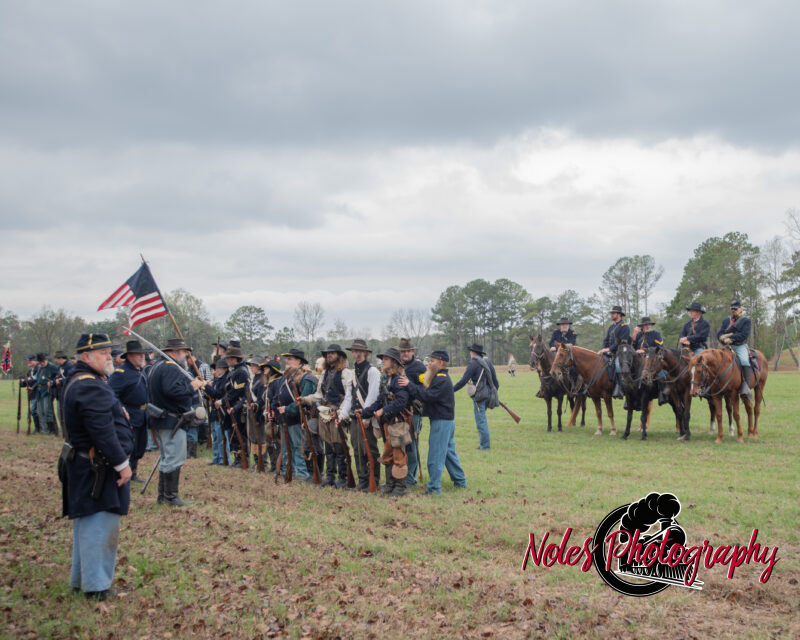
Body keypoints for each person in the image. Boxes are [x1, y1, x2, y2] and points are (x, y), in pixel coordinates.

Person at [60, 332, 133, 601]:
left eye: (108, 352)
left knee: (89, 525)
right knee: (99, 525)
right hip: (97, 466)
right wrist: (122, 463)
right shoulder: (89, 385)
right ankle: (97, 587)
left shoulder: (83, 381)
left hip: (88, 464)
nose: (109, 357)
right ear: (86, 357)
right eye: (102, 354)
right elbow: (102, 431)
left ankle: (84, 580)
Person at [147, 337, 205, 506]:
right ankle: (170, 497)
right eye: (183, 353)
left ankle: (164, 496)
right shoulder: (170, 368)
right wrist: (192, 386)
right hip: (172, 419)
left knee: (168, 458)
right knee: (174, 458)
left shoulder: (158, 366)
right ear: (174, 352)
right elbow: (172, 391)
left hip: (165, 419)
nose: (185, 357)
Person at [400, 349, 466, 494]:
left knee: (435, 456)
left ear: (440, 362)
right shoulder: (438, 377)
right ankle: (460, 480)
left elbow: (426, 395)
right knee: (448, 453)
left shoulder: (441, 379)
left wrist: (408, 384)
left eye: (432, 361)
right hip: (445, 421)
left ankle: (434, 488)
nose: (429, 364)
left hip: (441, 422)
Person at [358, 348, 413, 497]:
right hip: (388, 423)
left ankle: (400, 488)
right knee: (388, 455)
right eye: (383, 358)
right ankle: (390, 486)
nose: (383, 361)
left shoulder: (398, 380)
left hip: (399, 422)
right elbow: (379, 401)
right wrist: (365, 412)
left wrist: (384, 411)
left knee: (399, 456)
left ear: (394, 362)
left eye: (386, 359)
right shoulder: (386, 379)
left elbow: (402, 402)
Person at [300, 344, 354, 488]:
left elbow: (349, 397)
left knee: (340, 446)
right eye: (327, 354)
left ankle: (342, 477)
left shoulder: (346, 374)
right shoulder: (324, 374)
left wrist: (341, 413)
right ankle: (330, 476)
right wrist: (305, 399)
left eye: (332, 353)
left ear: (339, 356)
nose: (329, 355)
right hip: (325, 413)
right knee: (328, 447)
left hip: (338, 413)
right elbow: (318, 395)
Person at [109, 341, 149, 482]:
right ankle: (124, 473)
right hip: (129, 414)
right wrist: (121, 409)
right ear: (130, 356)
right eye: (139, 354)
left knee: (139, 446)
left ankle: (133, 472)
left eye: (142, 354)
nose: (142, 357)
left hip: (142, 414)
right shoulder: (121, 373)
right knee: (128, 445)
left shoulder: (140, 371)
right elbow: (111, 394)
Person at [276, 349, 316, 482]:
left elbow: (303, 401)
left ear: (299, 361)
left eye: (290, 358)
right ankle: (290, 470)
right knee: (287, 447)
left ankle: (302, 472)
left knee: (298, 447)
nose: (287, 361)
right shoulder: (285, 376)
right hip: (285, 417)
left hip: (297, 418)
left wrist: (287, 409)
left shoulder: (305, 377)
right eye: (287, 359)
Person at [347, 339, 381, 492]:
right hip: (355, 417)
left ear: (366, 353)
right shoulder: (353, 373)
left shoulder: (372, 371)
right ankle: (362, 479)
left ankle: (374, 480)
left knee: (370, 449)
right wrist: (343, 414)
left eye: (358, 351)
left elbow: (373, 395)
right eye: (354, 351)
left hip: (366, 416)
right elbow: (349, 396)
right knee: (357, 448)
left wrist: (366, 417)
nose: (356, 354)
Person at [453, 343, 499, 450]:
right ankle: (484, 444)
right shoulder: (487, 362)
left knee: (481, 422)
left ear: (473, 352)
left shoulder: (473, 363)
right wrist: (492, 394)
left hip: (480, 396)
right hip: (488, 395)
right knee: (482, 419)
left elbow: (463, 381)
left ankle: (485, 446)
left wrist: (451, 390)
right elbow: (496, 383)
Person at [397, 338, 426, 487]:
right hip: (399, 412)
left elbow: (425, 390)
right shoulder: (398, 366)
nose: (405, 354)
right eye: (403, 351)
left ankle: (410, 478)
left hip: (413, 412)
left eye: (408, 351)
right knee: (402, 445)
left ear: (413, 352)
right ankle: (404, 475)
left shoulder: (419, 368)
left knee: (411, 446)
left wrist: (410, 386)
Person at [218, 344, 249, 468]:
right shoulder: (236, 371)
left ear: (235, 359)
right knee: (234, 435)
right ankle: (237, 458)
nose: (227, 360)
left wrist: (222, 401)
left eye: (229, 358)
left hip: (238, 407)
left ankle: (242, 459)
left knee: (240, 434)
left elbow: (236, 392)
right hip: (233, 407)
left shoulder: (241, 371)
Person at [717, 300, 753, 400]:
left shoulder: (746, 320)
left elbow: (744, 335)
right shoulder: (726, 321)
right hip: (727, 346)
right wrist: (721, 338)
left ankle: (746, 386)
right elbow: (719, 333)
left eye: (735, 308)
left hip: (739, 345)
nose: (733, 310)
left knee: (745, 361)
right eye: (732, 308)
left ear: (740, 309)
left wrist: (731, 337)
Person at [597, 305, 630, 399]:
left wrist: (608, 349)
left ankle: (619, 388)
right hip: (609, 352)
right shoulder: (611, 327)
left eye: (613, 313)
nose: (611, 315)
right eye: (611, 313)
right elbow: (606, 340)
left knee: (619, 367)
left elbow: (620, 342)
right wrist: (604, 349)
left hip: (620, 353)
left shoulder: (625, 327)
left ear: (619, 314)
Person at [204, 359, 228, 465]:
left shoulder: (225, 380)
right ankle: (216, 456)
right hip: (214, 411)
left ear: (224, 369)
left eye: (218, 368)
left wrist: (205, 386)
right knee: (215, 436)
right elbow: (210, 396)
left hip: (221, 412)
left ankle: (223, 458)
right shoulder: (217, 380)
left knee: (220, 436)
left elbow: (217, 393)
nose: (216, 370)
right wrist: (205, 389)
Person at [33, 353, 59, 435]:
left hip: (47, 391)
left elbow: (58, 376)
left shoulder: (53, 367)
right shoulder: (40, 368)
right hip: (39, 391)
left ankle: (52, 429)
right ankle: (44, 430)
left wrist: (52, 382)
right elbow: (38, 380)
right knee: (41, 412)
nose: (41, 364)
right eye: (40, 363)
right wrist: (33, 387)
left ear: (45, 361)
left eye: (42, 362)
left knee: (47, 411)